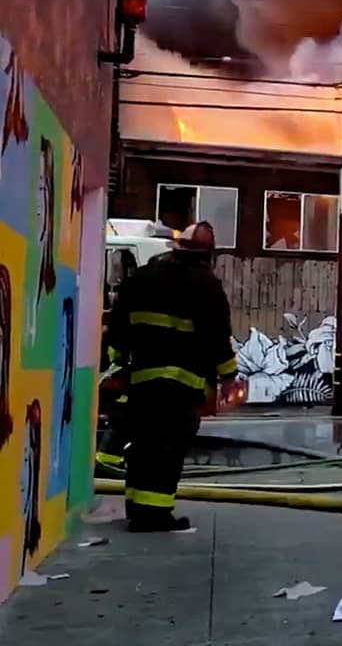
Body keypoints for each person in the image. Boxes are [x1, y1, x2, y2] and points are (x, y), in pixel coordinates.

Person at [105, 221, 238, 532]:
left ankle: (137, 510)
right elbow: (218, 336)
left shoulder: (142, 277)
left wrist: (119, 365)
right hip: (182, 384)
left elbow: (119, 327)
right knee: (167, 449)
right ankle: (156, 515)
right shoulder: (206, 285)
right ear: (208, 255)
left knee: (141, 445)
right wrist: (229, 377)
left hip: (142, 382)